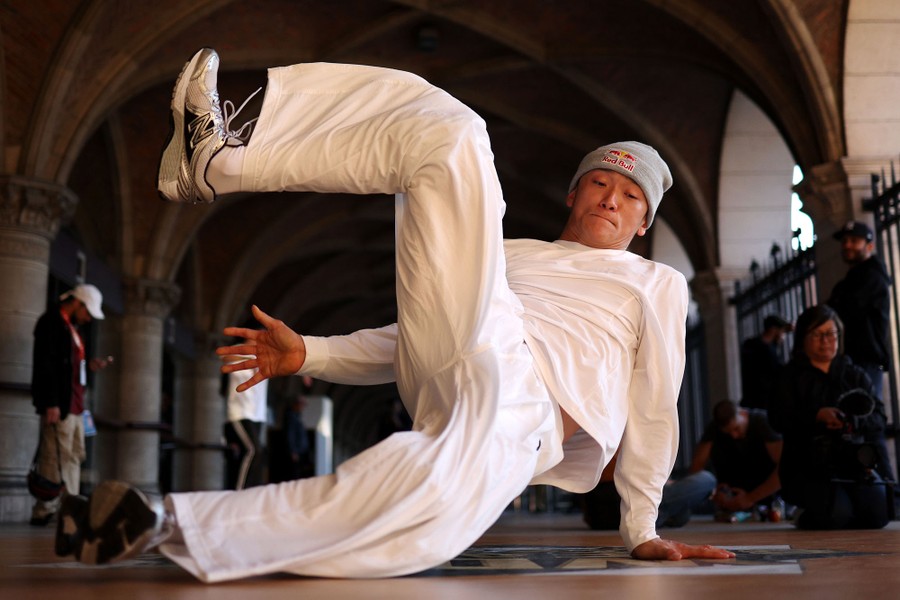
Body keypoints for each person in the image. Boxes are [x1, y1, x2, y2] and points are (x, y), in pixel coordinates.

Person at [55, 47, 733, 579]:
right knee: (453, 134)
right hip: (471, 345)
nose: (612, 199)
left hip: (528, 409)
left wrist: (640, 527)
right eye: (600, 183)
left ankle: (163, 524)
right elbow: (421, 332)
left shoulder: (656, 283)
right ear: (573, 194)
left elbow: (652, 405)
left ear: (644, 222)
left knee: (428, 502)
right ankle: (217, 162)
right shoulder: (504, 252)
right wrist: (315, 353)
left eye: (630, 196)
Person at [770, 304, 895, 529]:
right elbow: (778, 418)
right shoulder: (789, 376)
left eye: (830, 334)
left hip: (852, 460)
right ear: (802, 338)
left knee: (878, 515)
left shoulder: (854, 373)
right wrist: (816, 416)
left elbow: (879, 417)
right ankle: (803, 513)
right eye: (817, 334)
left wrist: (852, 421)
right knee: (837, 516)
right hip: (808, 464)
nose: (825, 340)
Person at [30, 283, 111, 526]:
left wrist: (92, 366)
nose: (88, 319)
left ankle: (70, 508)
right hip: (61, 405)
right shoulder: (52, 323)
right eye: (87, 312)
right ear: (78, 302)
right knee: (54, 456)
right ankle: (47, 508)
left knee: (74, 455)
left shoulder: (74, 329)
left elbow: (71, 368)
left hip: (76, 405)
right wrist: (51, 402)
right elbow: (46, 365)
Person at [827, 220, 891, 401]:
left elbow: (844, 309)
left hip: (867, 360)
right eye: (845, 241)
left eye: (854, 240)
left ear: (869, 246)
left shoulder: (872, 277)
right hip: (852, 359)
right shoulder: (851, 280)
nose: (847, 245)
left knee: (868, 418)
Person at [691, 400, 783, 520]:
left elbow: (784, 469)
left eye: (737, 428)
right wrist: (714, 493)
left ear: (743, 414)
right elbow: (696, 468)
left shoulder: (762, 422)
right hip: (732, 493)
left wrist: (750, 498)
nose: (734, 435)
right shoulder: (714, 428)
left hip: (768, 495)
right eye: (728, 433)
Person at [581, 451, 716, 530]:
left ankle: (660, 514)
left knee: (682, 515)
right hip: (620, 495)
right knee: (707, 480)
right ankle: (659, 514)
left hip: (599, 515)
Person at [222, 357, 269, 490]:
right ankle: (240, 492)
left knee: (253, 455)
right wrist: (250, 357)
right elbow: (224, 358)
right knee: (253, 450)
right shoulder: (238, 352)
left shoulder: (266, 353)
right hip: (240, 412)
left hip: (257, 414)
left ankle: (252, 491)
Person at [740, 314, 792, 410]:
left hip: (750, 400)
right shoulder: (766, 351)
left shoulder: (750, 344)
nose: (783, 335)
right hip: (763, 401)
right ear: (773, 329)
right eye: (781, 331)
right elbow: (777, 371)